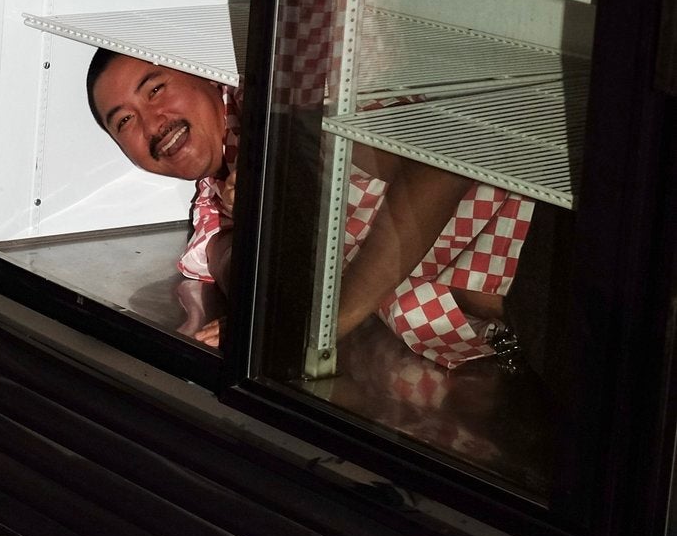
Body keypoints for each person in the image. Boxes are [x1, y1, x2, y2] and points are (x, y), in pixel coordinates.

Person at [85, 48, 529, 366]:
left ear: (205, 76)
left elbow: (440, 163)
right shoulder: (214, 203)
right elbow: (238, 266)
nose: (152, 123)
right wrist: (266, 312)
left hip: (550, 257)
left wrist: (324, 324)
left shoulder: (290, 105)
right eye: (124, 121)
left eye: (157, 89)